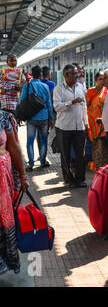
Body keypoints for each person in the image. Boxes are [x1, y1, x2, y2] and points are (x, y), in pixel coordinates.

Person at [0, 109, 29, 275]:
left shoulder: (3, 118)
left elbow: (14, 147)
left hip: (2, 179)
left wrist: (23, 176)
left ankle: (5, 259)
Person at [53, 64, 89, 188]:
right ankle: (69, 180)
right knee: (65, 155)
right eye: (74, 74)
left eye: (77, 73)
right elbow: (57, 106)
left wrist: (86, 123)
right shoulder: (59, 89)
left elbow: (84, 106)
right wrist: (71, 102)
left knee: (81, 155)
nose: (77, 76)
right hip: (64, 127)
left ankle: (80, 179)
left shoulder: (81, 87)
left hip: (79, 127)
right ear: (66, 75)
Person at [20, 66, 54, 171]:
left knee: (30, 141)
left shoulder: (27, 86)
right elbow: (49, 103)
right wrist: (51, 119)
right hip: (43, 117)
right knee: (43, 140)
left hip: (31, 118)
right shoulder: (45, 86)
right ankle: (43, 161)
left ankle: (30, 163)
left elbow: (22, 101)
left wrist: (20, 116)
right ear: (40, 75)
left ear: (31, 74)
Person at [86, 71, 108, 170]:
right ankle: (92, 161)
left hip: (104, 121)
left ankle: (102, 161)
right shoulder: (91, 91)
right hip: (92, 121)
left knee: (102, 143)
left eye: (104, 79)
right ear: (95, 80)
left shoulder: (107, 91)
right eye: (100, 79)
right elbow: (86, 106)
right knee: (92, 143)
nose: (102, 81)